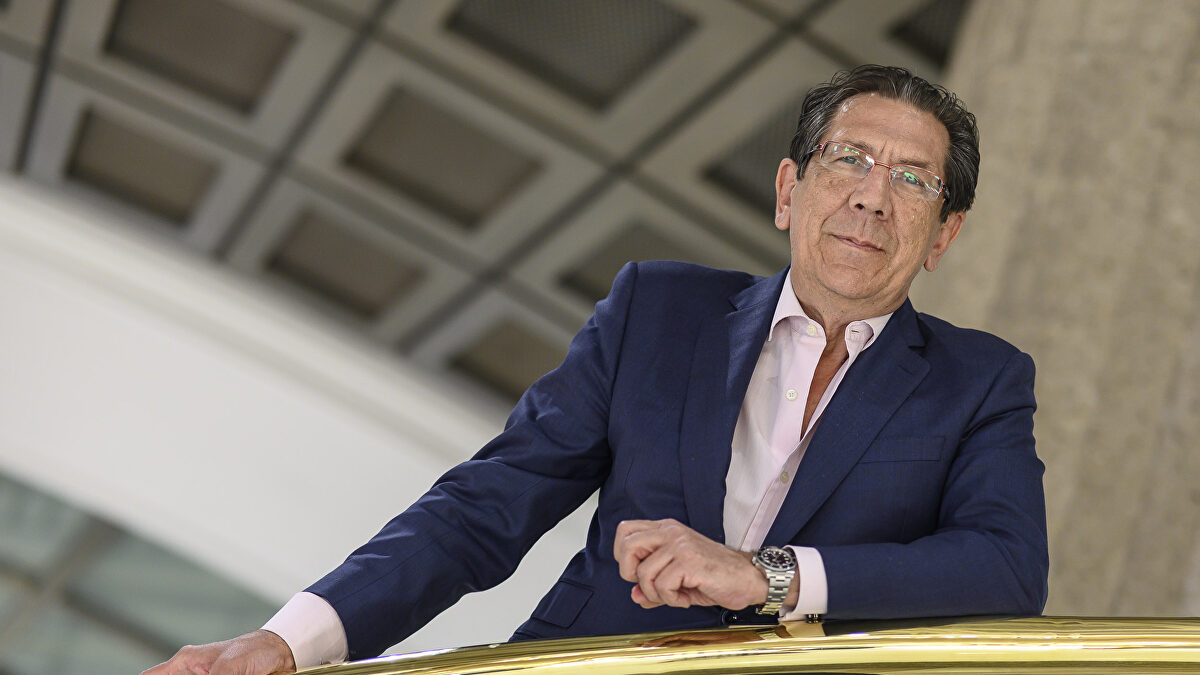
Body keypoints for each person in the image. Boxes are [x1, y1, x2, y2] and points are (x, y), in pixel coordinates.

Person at [145, 64, 1048, 675]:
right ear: (788, 190)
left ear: (944, 235)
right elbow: (484, 507)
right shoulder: (659, 309)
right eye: (849, 158)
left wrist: (767, 577)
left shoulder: (982, 383)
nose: (872, 196)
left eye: (914, 179)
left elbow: (1006, 569)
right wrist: (291, 641)